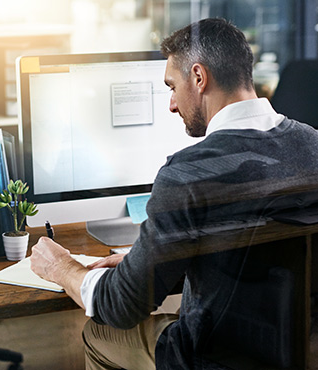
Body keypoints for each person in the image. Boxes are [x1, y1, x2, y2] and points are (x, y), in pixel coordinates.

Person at [30, 18, 318, 369]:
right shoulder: (312, 146)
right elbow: (268, 253)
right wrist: (156, 259)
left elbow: (120, 305)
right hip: (301, 349)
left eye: (172, 86)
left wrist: (61, 267)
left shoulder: (187, 173)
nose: (170, 104)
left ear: (198, 78)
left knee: (98, 333)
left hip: (213, 356)